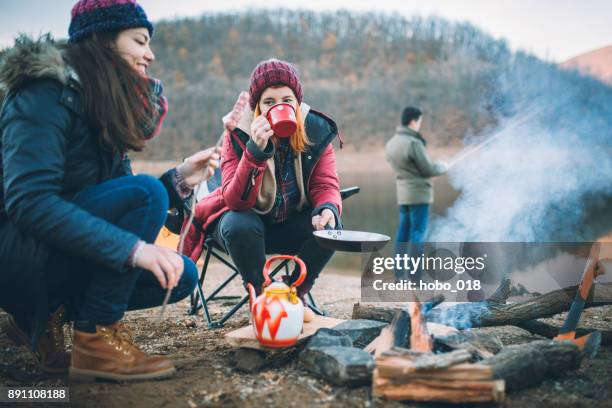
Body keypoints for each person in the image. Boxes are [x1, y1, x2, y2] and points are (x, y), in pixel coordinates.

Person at [0, 0, 219, 381]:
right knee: (146, 195)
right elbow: (29, 203)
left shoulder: (101, 104)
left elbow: (119, 199)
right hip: (18, 254)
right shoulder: (43, 94)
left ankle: (43, 315)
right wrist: (133, 250)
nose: (150, 54)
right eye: (139, 41)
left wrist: (181, 178)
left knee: (180, 275)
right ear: (102, 40)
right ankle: (96, 338)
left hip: (58, 249)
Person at [183, 59, 343, 322]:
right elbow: (236, 201)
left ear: (297, 102)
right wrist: (255, 152)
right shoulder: (239, 132)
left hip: (289, 223)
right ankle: (261, 295)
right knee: (238, 222)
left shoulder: (315, 129)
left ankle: (295, 293)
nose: (279, 106)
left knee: (332, 225)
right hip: (245, 229)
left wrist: (326, 209)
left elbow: (326, 185)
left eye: (287, 99)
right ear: (257, 106)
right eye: (269, 102)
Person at [385, 106, 447, 280]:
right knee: (417, 235)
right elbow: (427, 168)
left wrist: (422, 177)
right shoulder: (414, 143)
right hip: (419, 196)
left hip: (403, 195)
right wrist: (441, 168)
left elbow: (408, 169)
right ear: (413, 121)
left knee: (403, 234)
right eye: (419, 121)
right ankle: (415, 277)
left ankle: (399, 274)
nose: (420, 125)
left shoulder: (392, 143)